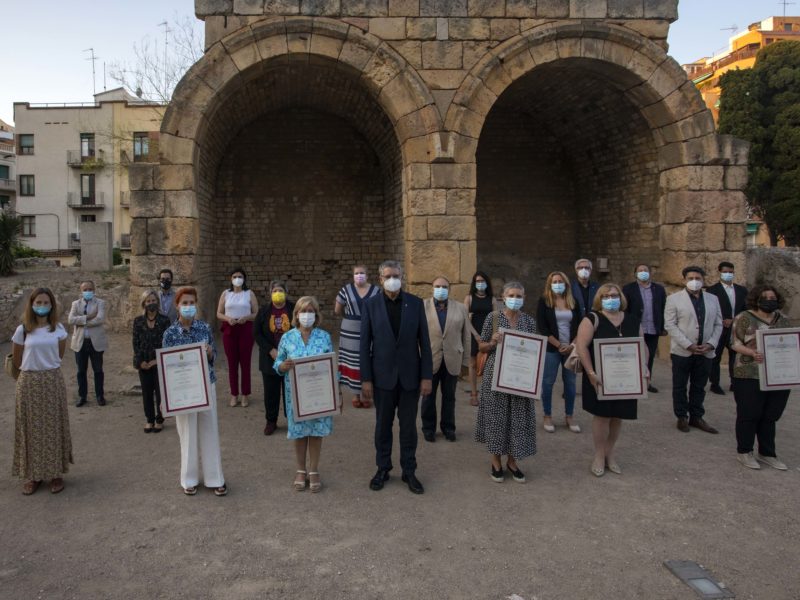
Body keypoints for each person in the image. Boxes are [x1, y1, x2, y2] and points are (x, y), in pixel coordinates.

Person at [360, 260, 432, 495]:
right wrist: (366, 379)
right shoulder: (371, 305)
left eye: (396, 275)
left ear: (402, 277)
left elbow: (425, 343)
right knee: (383, 425)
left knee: (409, 427)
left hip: (411, 377)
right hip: (382, 378)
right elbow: (364, 346)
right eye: (388, 275)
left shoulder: (415, 303)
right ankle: (383, 468)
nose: (393, 279)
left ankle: (409, 470)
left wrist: (426, 376)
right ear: (380, 279)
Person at [575, 283, 645, 477]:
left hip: (626, 379)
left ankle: (609, 453)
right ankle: (598, 454)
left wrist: (644, 368)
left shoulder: (632, 320)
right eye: (606, 296)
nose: (610, 299)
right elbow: (581, 347)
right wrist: (590, 372)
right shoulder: (592, 319)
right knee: (602, 416)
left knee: (618, 416)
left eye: (614, 295)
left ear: (620, 297)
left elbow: (642, 347)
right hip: (599, 378)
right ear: (600, 299)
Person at [162, 287, 227, 496]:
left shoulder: (204, 328)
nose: (189, 307)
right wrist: (167, 396)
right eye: (185, 303)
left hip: (206, 385)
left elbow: (214, 355)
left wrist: (209, 353)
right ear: (177, 305)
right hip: (182, 391)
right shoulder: (170, 333)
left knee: (210, 430)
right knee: (187, 434)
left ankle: (215, 478)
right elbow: (166, 366)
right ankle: (188, 479)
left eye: (192, 303)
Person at [11, 288, 72, 495]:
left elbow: (59, 355)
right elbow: (17, 359)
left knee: (53, 427)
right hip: (29, 382)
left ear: (52, 305)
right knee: (30, 429)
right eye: (38, 302)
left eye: (46, 302)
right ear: (31, 304)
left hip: (51, 380)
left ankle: (55, 474)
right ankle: (33, 475)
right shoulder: (23, 330)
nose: (42, 305)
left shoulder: (58, 329)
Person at [475, 281, 537, 484]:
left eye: (519, 296)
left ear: (524, 298)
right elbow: (481, 347)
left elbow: (535, 350)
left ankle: (512, 461)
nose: (515, 299)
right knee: (496, 419)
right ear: (503, 297)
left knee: (517, 419)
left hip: (521, 379)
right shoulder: (493, 318)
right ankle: (495, 462)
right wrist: (492, 342)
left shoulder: (529, 321)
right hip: (496, 377)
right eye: (511, 295)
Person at [274, 297, 337, 492]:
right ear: (296, 315)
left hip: (320, 395)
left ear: (316, 315)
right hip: (296, 395)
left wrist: (338, 393)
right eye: (303, 311)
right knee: (300, 433)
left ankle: (314, 469)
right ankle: (300, 469)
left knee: (317, 432)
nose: (307, 314)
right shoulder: (287, 337)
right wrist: (282, 366)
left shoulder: (324, 337)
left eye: (311, 311)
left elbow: (332, 365)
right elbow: (278, 364)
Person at [729, 285, 791, 470]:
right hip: (749, 373)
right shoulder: (744, 318)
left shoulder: (783, 320)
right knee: (749, 414)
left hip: (777, 374)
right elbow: (734, 343)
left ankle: (767, 453)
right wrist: (752, 352)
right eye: (765, 297)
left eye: (773, 297)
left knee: (770, 415)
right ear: (756, 299)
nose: (769, 300)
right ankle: (744, 452)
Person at [664, 266, 723, 434]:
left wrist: (711, 344)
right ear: (684, 280)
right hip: (683, 351)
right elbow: (670, 324)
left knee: (699, 385)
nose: (694, 281)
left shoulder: (713, 299)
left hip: (705, 351)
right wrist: (688, 344)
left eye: (698, 278)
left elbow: (718, 323)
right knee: (680, 385)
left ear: (703, 280)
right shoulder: (674, 299)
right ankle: (681, 416)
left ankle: (697, 416)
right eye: (690, 278)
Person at [422, 276, 471, 442]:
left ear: (449, 289)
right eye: (437, 286)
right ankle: (428, 428)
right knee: (428, 396)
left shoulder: (460, 308)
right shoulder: (422, 307)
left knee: (449, 396)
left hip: (453, 358)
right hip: (430, 358)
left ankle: (448, 427)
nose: (440, 289)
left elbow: (466, 336)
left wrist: (465, 360)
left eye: (444, 286)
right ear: (432, 288)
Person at [536, 271, 582, 433]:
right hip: (552, 348)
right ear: (549, 284)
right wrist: (558, 345)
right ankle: (547, 415)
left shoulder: (573, 301)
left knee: (570, 383)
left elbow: (580, 325)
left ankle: (569, 416)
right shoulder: (544, 302)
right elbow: (542, 327)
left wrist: (571, 344)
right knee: (548, 382)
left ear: (566, 284)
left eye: (560, 281)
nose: (557, 284)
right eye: (554, 281)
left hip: (571, 348)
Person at [334, 264, 380, 408]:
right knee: (352, 360)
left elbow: (380, 310)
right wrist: (349, 317)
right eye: (356, 273)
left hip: (371, 328)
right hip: (349, 330)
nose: (359, 275)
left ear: (367, 275)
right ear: (352, 275)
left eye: (362, 273)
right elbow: (337, 310)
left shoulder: (376, 290)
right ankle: (355, 394)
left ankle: (367, 395)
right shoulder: (345, 290)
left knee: (368, 358)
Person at [255, 280, 295, 435]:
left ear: (286, 292)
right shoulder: (264, 311)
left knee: (290, 391)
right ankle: (271, 421)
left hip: (290, 357)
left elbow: (300, 328)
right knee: (271, 392)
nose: (277, 293)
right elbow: (257, 333)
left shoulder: (294, 309)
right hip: (269, 358)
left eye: (280, 290)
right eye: (274, 291)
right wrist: (270, 350)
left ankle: (292, 419)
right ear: (270, 293)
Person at [216, 267, 258, 408]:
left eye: (240, 276)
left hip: (245, 329)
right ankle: (234, 394)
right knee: (232, 364)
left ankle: (245, 394)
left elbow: (256, 313)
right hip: (230, 329)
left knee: (245, 363)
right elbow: (219, 313)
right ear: (231, 279)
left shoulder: (249, 293)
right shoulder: (226, 294)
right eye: (235, 276)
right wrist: (228, 319)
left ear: (244, 278)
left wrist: (246, 317)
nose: (237, 279)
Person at [622, 264, 667, 393]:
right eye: (640, 270)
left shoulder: (658, 289)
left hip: (653, 328)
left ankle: (647, 381)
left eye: (645, 270)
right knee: (634, 355)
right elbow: (625, 309)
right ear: (635, 273)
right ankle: (632, 381)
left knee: (650, 356)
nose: (643, 272)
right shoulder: (628, 289)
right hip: (636, 328)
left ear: (650, 273)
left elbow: (663, 308)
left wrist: (663, 326)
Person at [132, 290, 171, 433]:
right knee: (147, 393)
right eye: (148, 301)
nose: (151, 303)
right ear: (144, 303)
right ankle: (149, 419)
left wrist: (157, 361)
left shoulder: (165, 320)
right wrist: (140, 361)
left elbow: (167, 343)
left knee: (161, 393)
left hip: (160, 362)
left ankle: (160, 419)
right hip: (143, 363)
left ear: (157, 302)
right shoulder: (138, 321)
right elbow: (135, 343)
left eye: (153, 300)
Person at [706, 261, 747, 395]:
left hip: (736, 328)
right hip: (719, 328)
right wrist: (722, 320)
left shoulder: (741, 290)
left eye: (730, 272)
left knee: (735, 356)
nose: (728, 274)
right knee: (715, 356)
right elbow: (710, 310)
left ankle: (734, 382)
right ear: (719, 272)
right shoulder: (712, 290)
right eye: (725, 272)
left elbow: (746, 310)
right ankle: (715, 383)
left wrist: (735, 320)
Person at [68, 280, 108, 407]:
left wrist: (81, 321)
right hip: (80, 342)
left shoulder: (100, 303)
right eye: (85, 289)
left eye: (90, 289)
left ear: (94, 289)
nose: (87, 292)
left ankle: (100, 396)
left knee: (98, 370)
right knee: (81, 371)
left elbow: (100, 319)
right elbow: (70, 320)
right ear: (81, 291)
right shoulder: (75, 304)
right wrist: (89, 317)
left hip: (95, 342)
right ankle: (82, 396)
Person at [464, 271, 494, 406]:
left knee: (488, 365)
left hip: (488, 335)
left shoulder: (492, 299)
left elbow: (495, 318)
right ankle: (474, 394)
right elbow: (465, 318)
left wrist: (492, 336)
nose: (480, 284)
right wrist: (476, 335)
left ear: (487, 283)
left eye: (482, 281)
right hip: (473, 333)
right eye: (477, 281)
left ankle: (488, 394)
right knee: (473, 364)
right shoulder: (469, 298)